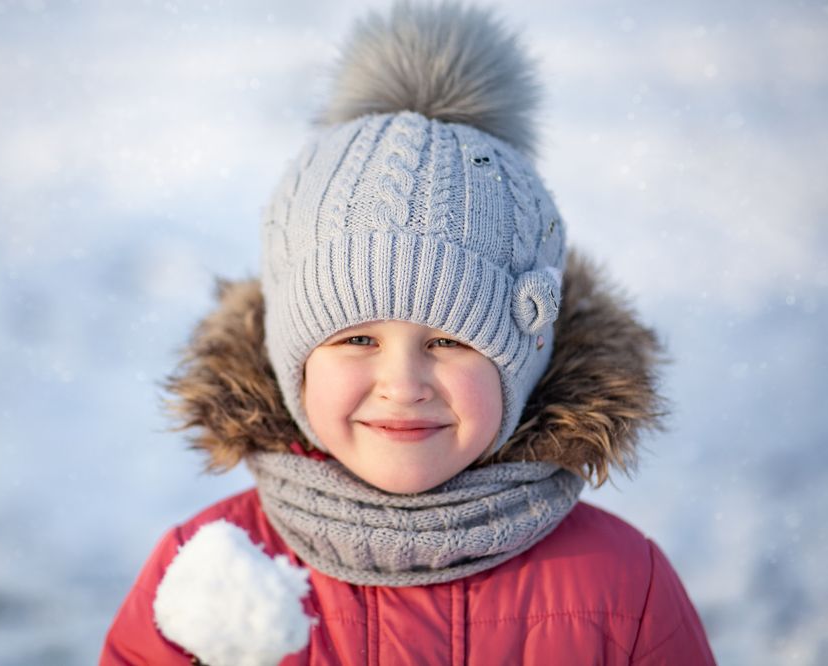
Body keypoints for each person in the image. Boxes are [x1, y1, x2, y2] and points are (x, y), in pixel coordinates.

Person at [101, 2, 716, 664]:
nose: (402, 384)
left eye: (449, 340)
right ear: (291, 360)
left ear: (526, 359)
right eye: (357, 339)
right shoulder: (206, 582)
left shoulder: (622, 588)